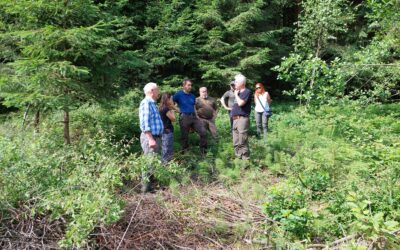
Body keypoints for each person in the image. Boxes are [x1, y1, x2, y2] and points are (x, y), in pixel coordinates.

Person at [139, 82, 164, 193]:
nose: (158, 92)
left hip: (155, 137)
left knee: (153, 162)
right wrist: (150, 139)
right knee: (149, 162)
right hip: (150, 137)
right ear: (152, 91)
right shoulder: (146, 103)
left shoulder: (152, 103)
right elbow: (144, 123)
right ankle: (145, 190)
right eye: (157, 90)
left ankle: (150, 187)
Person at [173, 79, 207, 155]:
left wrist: (197, 117)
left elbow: (194, 107)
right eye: (188, 85)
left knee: (203, 132)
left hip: (194, 117)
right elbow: (170, 102)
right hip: (184, 117)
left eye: (191, 85)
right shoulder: (178, 94)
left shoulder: (192, 96)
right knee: (184, 136)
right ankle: (185, 154)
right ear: (184, 86)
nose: (190, 86)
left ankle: (203, 153)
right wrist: (178, 110)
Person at [231, 74, 252, 160]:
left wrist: (236, 94)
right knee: (236, 142)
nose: (234, 83)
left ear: (242, 83)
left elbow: (240, 103)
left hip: (242, 120)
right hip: (235, 119)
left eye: (236, 82)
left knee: (242, 141)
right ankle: (238, 158)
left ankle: (245, 160)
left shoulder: (247, 92)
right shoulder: (238, 92)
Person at [159, 93, 176, 163]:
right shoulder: (166, 108)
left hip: (164, 130)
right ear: (168, 99)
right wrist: (172, 108)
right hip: (167, 131)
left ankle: (167, 165)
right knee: (167, 149)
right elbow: (173, 119)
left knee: (166, 149)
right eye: (171, 99)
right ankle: (165, 166)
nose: (172, 100)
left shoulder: (161, 107)